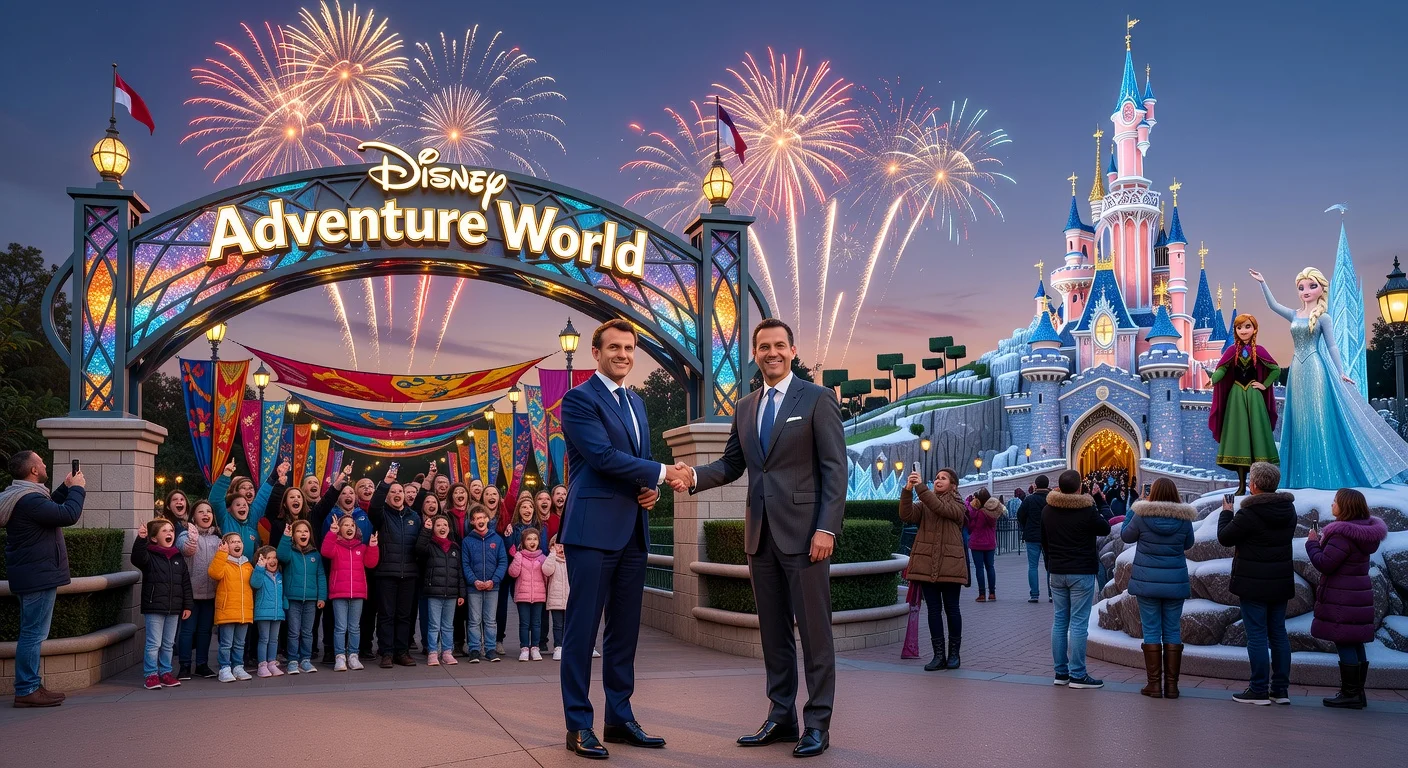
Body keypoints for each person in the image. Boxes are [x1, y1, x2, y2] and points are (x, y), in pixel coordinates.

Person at [683, 319, 846, 759]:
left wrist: (826, 528)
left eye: (779, 346)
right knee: (773, 633)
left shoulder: (817, 399)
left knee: (814, 634)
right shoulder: (746, 406)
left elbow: (835, 469)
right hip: (761, 537)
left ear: (792, 350)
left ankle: (817, 724)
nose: (771, 353)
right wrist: (694, 475)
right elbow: (732, 465)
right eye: (763, 347)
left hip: (808, 537)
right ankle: (780, 716)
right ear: (754, 354)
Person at [558, 319, 676, 758]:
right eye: (614, 347)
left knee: (624, 631)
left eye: (629, 348)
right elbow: (604, 458)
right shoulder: (577, 400)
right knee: (582, 630)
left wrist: (651, 488)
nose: (623, 354)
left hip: (632, 531)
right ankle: (578, 725)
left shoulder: (638, 403)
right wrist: (664, 472)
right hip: (591, 532)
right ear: (596, 353)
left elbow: (636, 460)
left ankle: (620, 718)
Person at [1251, 267, 1408, 488]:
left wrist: (1341, 371)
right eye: (1301, 287)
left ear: (1321, 289)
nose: (1306, 291)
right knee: (1297, 418)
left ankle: (1325, 475)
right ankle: (1298, 476)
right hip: (1296, 370)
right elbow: (1273, 305)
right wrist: (1262, 282)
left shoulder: (1324, 317)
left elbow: (1332, 345)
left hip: (1316, 368)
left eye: (1311, 286)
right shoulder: (1295, 314)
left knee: (1319, 416)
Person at [1, 450, 85, 707]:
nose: (44, 464)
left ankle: (32, 685)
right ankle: (27, 689)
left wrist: (65, 486)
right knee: (32, 634)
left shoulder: (24, 497)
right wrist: (78, 489)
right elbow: (67, 515)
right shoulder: (28, 501)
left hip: (34, 574)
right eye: (40, 462)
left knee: (33, 632)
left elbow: (50, 509)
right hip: (36, 576)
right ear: (33, 470)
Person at [1217, 461, 1297, 705]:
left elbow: (1225, 538)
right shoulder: (1288, 510)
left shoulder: (1249, 513)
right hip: (1280, 582)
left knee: (1257, 636)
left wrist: (1226, 512)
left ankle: (1259, 689)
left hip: (1253, 584)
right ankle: (1280, 690)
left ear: (1253, 485)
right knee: (1279, 634)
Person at [1305, 488, 1388, 709]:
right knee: (1355, 641)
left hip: (1342, 597)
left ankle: (1350, 694)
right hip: (1357, 595)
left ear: (1346, 507)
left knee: (1344, 641)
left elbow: (1325, 563)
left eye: (1335, 501)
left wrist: (1312, 543)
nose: (1332, 505)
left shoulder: (1342, 534)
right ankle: (1358, 693)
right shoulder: (1363, 533)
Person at [1121, 478, 1195, 698]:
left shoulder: (1143, 515)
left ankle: (1154, 685)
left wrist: (1135, 507)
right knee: (1172, 630)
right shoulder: (1183, 517)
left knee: (1151, 629)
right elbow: (1188, 544)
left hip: (1147, 582)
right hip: (1174, 582)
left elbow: (1126, 535)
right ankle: (1172, 686)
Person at [1041, 469, 1111, 689]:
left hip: (1057, 571)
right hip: (1081, 572)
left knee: (1060, 622)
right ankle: (1078, 674)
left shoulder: (1047, 510)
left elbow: (1044, 542)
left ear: (1059, 488)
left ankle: (1061, 673)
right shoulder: (1087, 510)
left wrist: (1050, 565)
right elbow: (1106, 527)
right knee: (1079, 623)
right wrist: (1099, 501)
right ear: (1080, 487)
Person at [1202, 314, 1281, 495]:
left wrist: (1264, 384)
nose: (1243, 331)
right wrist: (1213, 380)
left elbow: (1275, 369)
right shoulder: (1232, 351)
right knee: (1240, 441)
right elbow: (1222, 369)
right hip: (1236, 399)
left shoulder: (1259, 351)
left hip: (1254, 398)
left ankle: (1258, 484)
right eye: (1239, 328)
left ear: (1254, 329)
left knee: (1256, 440)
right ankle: (1241, 485)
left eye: (1247, 327)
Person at [899, 468, 968, 671]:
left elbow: (941, 508)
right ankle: (939, 655)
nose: (938, 480)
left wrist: (920, 488)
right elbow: (906, 514)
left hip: (950, 565)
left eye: (943, 478)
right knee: (934, 611)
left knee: (952, 609)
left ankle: (954, 654)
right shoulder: (926, 503)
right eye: (937, 477)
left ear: (953, 485)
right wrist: (907, 489)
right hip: (927, 565)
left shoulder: (958, 504)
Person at [367, 467, 421, 668]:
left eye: (400, 492)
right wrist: (386, 483)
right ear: (387, 496)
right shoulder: (381, 515)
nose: (397, 495)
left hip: (409, 574)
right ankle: (386, 652)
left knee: (404, 615)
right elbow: (373, 507)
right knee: (386, 615)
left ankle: (402, 651)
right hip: (386, 573)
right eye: (393, 492)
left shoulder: (414, 517)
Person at [131, 518, 194, 690]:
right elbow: (137, 558)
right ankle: (151, 674)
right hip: (155, 607)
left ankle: (165, 672)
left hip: (174, 608)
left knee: (168, 644)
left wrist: (187, 605)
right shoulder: (149, 555)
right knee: (154, 643)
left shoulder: (177, 557)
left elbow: (185, 583)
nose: (169, 534)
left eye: (171, 531)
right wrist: (141, 539)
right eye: (165, 531)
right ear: (154, 538)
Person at [321, 513, 379, 671]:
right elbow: (326, 551)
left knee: (354, 627)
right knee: (340, 627)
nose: (349, 527)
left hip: (358, 593)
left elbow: (371, 563)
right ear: (340, 528)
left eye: (352, 525)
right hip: (339, 592)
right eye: (345, 525)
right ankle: (339, 657)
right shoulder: (336, 545)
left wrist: (373, 547)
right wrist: (331, 533)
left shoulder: (362, 547)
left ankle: (353, 655)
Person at [177, 500, 221, 679]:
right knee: (187, 631)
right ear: (193, 516)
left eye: (209, 511)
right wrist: (192, 538)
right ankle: (184, 665)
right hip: (190, 595)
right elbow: (186, 549)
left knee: (205, 631)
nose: (206, 515)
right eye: (201, 512)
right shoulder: (185, 535)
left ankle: (202, 664)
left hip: (211, 594)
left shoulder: (218, 539)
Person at [416, 513, 466, 666]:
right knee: (433, 625)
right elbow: (419, 549)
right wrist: (425, 531)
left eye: (445, 525)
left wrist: (461, 593)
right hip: (434, 593)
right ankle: (432, 651)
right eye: (438, 525)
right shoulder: (429, 545)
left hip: (451, 594)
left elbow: (459, 572)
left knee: (447, 625)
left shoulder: (455, 548)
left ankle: (447, 652)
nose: (442, 527)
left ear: (449, 528)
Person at [278, 520, 327, 674]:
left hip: (311, 600)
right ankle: (293, 660)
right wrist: (285, 537)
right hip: (293, 598)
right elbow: (281, 555)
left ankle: (305, 659)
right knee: (293, 632)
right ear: (293, 535)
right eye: (298, 531)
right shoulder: (290, 552)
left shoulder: (315, 554)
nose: (303, 534)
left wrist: (322, 597)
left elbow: (320, 576)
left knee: (307, 632)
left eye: (306, 531)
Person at [461, 505, 508, 662]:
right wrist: (474, 581)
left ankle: (490, 649)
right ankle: (474, 648)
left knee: (490, 620)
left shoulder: (497, 540)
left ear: (488, 519)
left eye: (483, 517)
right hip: (474, 588)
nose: (480, 520)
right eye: (476, 519)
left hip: (492, 587)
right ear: (472, 522)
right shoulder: (467, 541)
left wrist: (493, 580)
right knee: (474, 619)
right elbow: (465, 564)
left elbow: (502, 562)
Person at [208, 532, 255, 682]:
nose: (237, 544)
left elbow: (255, 583)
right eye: (232, 542)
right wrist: (221, 554)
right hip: (227, 610)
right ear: (226, 545)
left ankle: (238, 667)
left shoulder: (248, 565)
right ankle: (225, 668)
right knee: (226, 644)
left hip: (243, 611)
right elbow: (214, 573)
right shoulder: (223, 562)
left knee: (240, 643)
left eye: (239, 541)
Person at [509, 528, 549, 662]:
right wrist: (517, 558)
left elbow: (547, 577)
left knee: (537, 623)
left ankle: (535, 647)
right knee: (524, 624)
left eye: (535, 539)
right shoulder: (520, 556)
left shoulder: (543, 558)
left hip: (538, 596)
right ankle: (524, 648)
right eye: (529, 539)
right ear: (523, 541)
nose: (532, 542)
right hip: (523, 596)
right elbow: (513, 573)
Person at [249, 545, 285, 677]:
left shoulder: (280, 576)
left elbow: (282, 593)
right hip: (263, 613)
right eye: (268, 558)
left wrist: (284, 605)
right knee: (264, 639)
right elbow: (255, 584)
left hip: (277, 613)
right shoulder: (260, 574)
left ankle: (271, 663)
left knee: (274, 639)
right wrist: (259, 567)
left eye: (274, 557)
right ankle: (262, 665)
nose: (272, 560)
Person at [1017, 476, 1051, 603]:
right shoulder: (1051, 499)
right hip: (1048, 535)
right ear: (1048, 485)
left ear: (1036, 485)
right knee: (1050, 565)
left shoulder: (1029, 499)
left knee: (1032, 566)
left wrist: (1027, 526)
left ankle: (1034, 594)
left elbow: (1020, 515)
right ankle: (1051, 593)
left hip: (1032, 535)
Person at [967, 488, 1000, 602]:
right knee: (990, 567)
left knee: (979, 568)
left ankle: (982, 594)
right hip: (990, 542)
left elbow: (972, 527)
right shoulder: (993, 511)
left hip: (977, 543)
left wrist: (970, 506)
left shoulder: (979, 513)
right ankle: (992, 593)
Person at [541, 538, 570, 660]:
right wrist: (552, 554)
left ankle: (568, 646)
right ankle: (558, 646)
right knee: (558, 624)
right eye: (558, 545)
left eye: (564, 545)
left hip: (569, 599)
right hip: (556, 599)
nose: (561, 548)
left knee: (569, 624)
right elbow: (547, 571)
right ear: (552, 546)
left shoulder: (571, 561)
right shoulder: (551, 560)